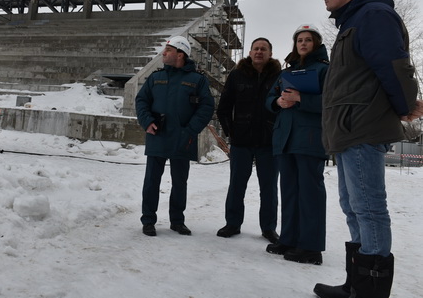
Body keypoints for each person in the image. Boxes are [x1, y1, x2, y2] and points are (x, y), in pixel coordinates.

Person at [313, 0, 423, 298]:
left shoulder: (374, 15)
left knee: (369, 208)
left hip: (363, 127)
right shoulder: (354, 21)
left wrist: (405, 105)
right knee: (353, 207)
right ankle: (356, 285)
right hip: (349, 130)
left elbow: (394, 65)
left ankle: (370, 291)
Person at [136, 36, 214, 236]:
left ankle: (177, 221)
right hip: (158, 135)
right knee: (151, 181)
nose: (164, 53)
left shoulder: (197, 80)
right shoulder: (156, 77)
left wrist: (190, 130)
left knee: (180, 182)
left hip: (183, 138)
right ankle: (148, 220)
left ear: (180, 54)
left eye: (168, 50)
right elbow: (142, 100)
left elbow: (206, 107)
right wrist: (147, 121)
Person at [265, 24, 329, 265]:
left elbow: (331, 102)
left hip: (309, 140)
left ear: (316, 44)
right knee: (289, 191)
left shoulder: (324, 70)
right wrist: (278, 102)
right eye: (299, 40)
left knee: (310, 194)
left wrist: (301, 98)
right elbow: (269, 98)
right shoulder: (287, 72)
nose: (303, 43)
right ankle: (289, 239)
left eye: (308, 40)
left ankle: (311, 247)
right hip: (285, 138)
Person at [215, 37, 281, 243]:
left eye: (263, 49)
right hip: (241, 141)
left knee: (269, 188)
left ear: (270, 53)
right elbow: (224, 108)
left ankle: (269, 228)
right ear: (250, 52)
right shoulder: (237, 75)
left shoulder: (279, 77)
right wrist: (231, 132)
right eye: (256, 48)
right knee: (236, 185)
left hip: (269, 142)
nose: (259, 52)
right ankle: (232, 223)